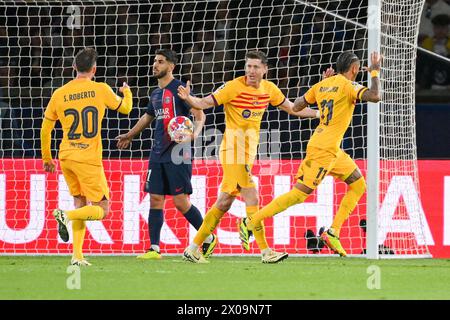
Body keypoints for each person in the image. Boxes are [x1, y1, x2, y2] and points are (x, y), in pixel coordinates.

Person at [178, 50, 324, 264]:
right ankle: (266, 251)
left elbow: (293, 108)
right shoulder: (233, 86)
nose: (251, 71)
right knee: (252, 196)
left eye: (256, 67)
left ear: (265, 69)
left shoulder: (269, 89)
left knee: (224, 202)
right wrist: (189, 98)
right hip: (232, 151)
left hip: (247, 153)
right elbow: (205, 103)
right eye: (248, 67)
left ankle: (192, 248)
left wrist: (319, 114)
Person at [238, 51, 382, 257]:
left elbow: (296, 106)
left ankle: (333, 232)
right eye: (359, 69)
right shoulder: (350, 86)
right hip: (324, 150)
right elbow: (375, 96)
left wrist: (323, 89)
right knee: (299, 194)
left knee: (358, 184)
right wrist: (375, 72)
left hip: (331, 148)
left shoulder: (322, 85)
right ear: (354, 69)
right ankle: (250, 221)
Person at [115, 49, 216, 260]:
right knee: (155, 199)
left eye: (160, 62)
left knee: (180, 202)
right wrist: (130, 135)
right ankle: (154, 249)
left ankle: (207, 237)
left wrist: (193, 135)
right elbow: (147, 118)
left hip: (179, 152)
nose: (155, 65)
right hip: (158, 152)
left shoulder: (179, 89)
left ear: (171, 66)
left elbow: (199, 114)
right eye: (154, 61)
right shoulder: (156, 93)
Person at [40, 48, 133, 266]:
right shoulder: (100, 89)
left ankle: (77, 256)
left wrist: (47, 158)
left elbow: (46, 129)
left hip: (66, 157)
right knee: (102, 210)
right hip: (88, 158)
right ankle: (65, 215)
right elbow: (127, 109)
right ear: (94, 69)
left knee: (80, 201)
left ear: (73, 67)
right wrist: (126, 92)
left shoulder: (59, 93)